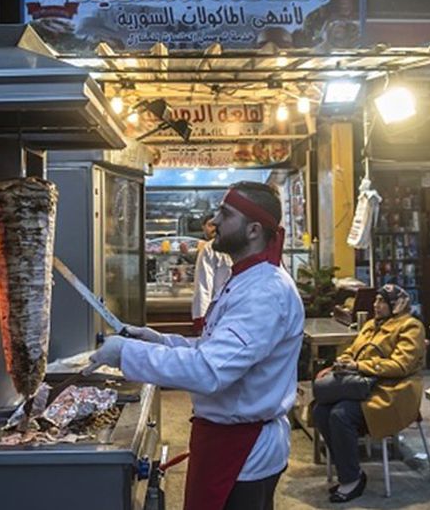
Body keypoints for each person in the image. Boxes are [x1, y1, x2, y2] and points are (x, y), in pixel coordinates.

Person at [87, 181, 305, 510]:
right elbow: (213, 349)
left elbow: (209, 371)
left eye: (225, 214)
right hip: (223, 440)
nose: (214, 221)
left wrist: (127, 353)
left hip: (243, 453)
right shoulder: (245, 278)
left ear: (253, 230)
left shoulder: (265, 293)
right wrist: (159, 340)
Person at [312, 284, 426, 503]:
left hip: (392, 392)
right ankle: (349, 470)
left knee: (340, 414)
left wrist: (359, 366)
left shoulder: (411, 326)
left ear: (396, 305)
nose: (376, 305)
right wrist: (341, 363)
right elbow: (352, 351)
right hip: (363, 386)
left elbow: (401, 365)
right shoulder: (371, 325)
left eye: (382, 301)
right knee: (320, 411)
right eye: (376, 300)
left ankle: (351, 479)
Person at [192, 214, 232, 333]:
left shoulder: (209, 248)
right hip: (221, 315)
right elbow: (204, 286)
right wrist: (201, 319)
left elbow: (203, 286)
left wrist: (200, 319)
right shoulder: (210, 249)